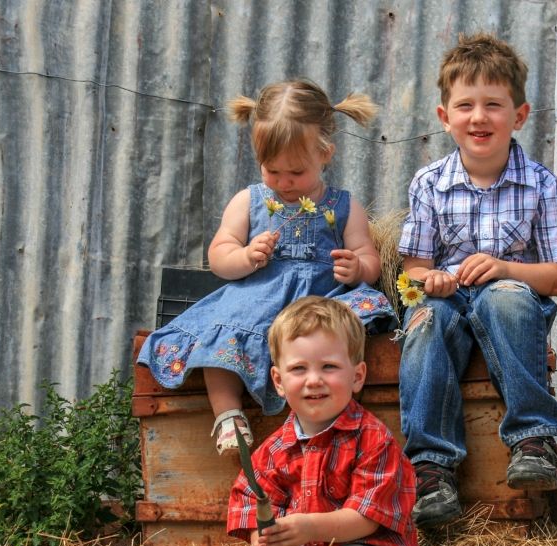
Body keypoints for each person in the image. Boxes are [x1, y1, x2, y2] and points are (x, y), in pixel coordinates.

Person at [86, 297, 419, 546]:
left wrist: (307, 527)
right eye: (299, 369)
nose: (313, 379)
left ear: (357, 376)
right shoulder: (274, 449)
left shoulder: (373, 439)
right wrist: (261, 540)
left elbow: (366, 518)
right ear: (279, 381)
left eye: (328, 367)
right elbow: (253, 501)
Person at [137, 80, 396, 455]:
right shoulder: (250, 200)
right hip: (257, 300)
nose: (284, 183)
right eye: (272, 171)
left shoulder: (343, 206)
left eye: (296, 172)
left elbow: (369, 258)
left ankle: (329, 416)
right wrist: (245, 257)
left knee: (342, 332)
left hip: (320, 301)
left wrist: (357, 268)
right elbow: (219, 255)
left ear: (325, 154)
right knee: (219, 338)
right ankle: (228, 416)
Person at [397, 33, 557, 528]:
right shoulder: (429, 183)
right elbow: (411, 268)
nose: (479, 117)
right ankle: (432, 469)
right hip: (449, 300)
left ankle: (533, 440)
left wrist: (505, 269)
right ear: (444, 117)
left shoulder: (540, 184)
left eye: (493, 105)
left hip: (511, 301)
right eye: (466, 105)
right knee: (425, 321)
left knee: (505, 299)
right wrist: (429, 278)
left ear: (519, 115)